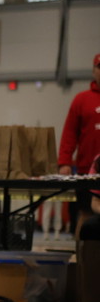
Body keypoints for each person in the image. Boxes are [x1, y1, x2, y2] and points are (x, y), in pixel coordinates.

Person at [58, 53, 100, 235]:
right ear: (93, 70)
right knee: (85, 213)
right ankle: (81, 252)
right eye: (99, 68)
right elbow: (69, 133)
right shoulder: (81, 100)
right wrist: (64, 162)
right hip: (86, 171)